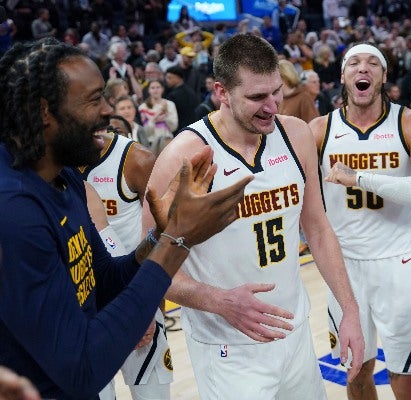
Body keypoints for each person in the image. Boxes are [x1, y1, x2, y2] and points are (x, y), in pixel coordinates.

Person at [0, 37, 252, 399]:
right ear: (44, 112)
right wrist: (176, 241)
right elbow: (83, 368)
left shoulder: (65, 177)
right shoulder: (13, 210)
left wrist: (159, 234)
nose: (107, 111)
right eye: (93, 100)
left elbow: (103, 280)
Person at [143, 34, 365, 399]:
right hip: (228, 347)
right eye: (257, 97)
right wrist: (218, 300)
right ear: (222, 92)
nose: (271, 106)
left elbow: (319, 229)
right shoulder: (184, 154)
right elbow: (146, 265)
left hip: (294, 334)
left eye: (276, 91)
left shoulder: (295, 135)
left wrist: (350, 309)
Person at [309, 43, 411, 400]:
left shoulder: (409, 121)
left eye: (373, 63)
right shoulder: (320, 130)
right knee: (355, 370)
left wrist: (361, 179)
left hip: (399, 263)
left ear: (384, 76)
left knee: (405, 375)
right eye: (354, 63)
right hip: (344, 267)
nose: (363, 69)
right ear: (342, 76)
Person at [82, 126, 173, 400]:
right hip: (82, 310)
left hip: (131, 288)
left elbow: (165, 235)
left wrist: (147, 305)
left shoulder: (135, 159)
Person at [138, 79, 178, 155]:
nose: (155, 90)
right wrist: (155, 117)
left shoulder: (170, 105)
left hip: (167, 142)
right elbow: (146, 132)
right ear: (149, 90)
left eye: (158, 87)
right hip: (150, 144)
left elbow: (173, 127)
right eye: (152, 88)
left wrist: (165, 114)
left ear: (162, 89)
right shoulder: (143, 108)